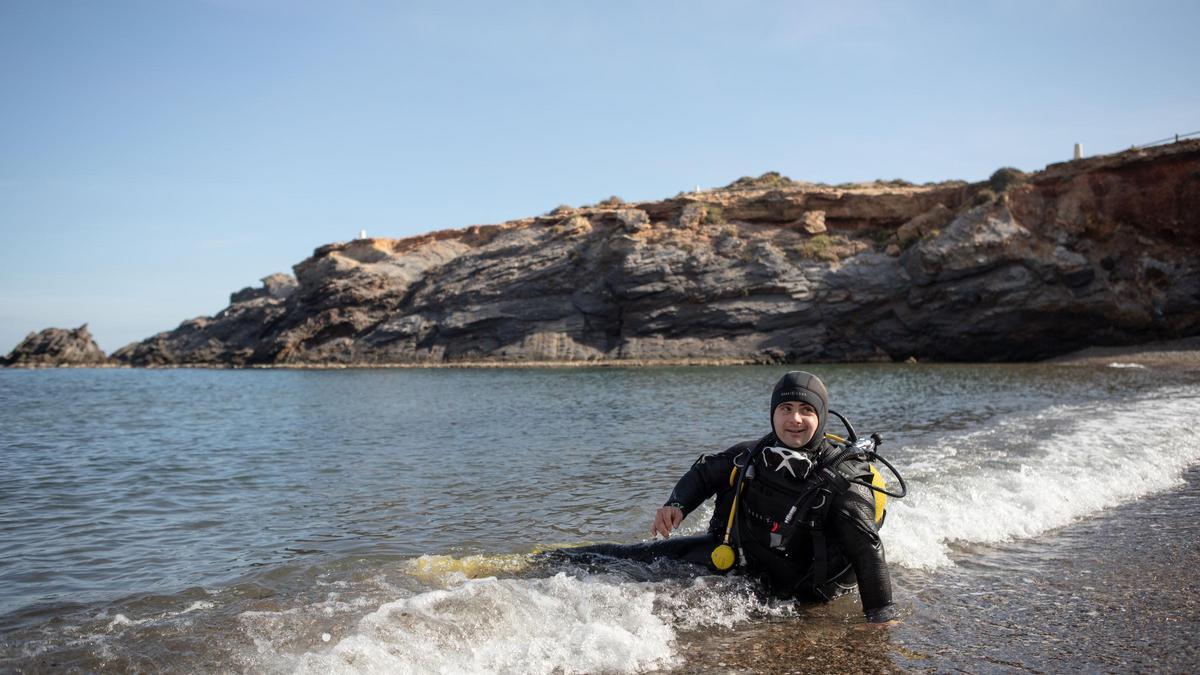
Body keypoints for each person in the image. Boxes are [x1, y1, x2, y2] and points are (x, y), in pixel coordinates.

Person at [565, 371, 898, 623]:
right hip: (741, 561)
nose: (794, 419)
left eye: (805, 410)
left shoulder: (844, 481)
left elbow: (868, 554)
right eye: (785, 408)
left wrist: (881, 621)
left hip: (805, 590)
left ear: (820, 417)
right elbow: (705, 472)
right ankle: (543, 563)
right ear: (773, 414)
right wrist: (675, 505)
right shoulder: (750, 456)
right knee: (625, 559)